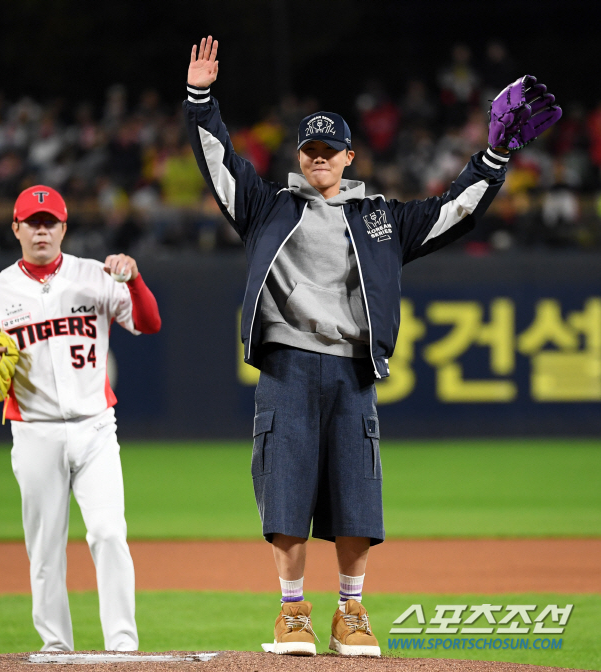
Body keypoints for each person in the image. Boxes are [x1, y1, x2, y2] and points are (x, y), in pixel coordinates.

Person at [184, 36, 520, 657]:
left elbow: (453, 212)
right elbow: (219, 162)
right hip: (286, 364)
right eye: (310, 149)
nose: (319, 158)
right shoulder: (268, 208)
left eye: (329, 150)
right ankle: (291, 614)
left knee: (356, 499)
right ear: (301, 155)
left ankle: (351, 613)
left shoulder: (379, 219)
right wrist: (200, 98)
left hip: (352, 371)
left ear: (348, 155)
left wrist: (493, 157)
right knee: (284, 494)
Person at [0, 185, 162, 652]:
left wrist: (133, 280)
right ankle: (55, 647)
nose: (42, 229)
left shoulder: (96, 275)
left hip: (94, 427)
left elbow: (149, 323)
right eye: (33, 222)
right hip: (34, 431)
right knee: (45, 549)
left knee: (109, 533)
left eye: (50, 222)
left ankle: (123, 646)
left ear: (64, 228)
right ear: (17, 229)